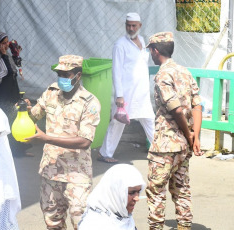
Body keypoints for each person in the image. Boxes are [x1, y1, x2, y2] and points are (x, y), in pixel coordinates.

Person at [26, 55, 101, 230]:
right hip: (50, 172)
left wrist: (47, 138)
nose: (61, 78)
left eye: (66, 74)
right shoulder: (50, 93)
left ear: (78, 76)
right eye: (59, 73)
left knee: (81, 222)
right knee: (52, 222)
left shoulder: (89, 103)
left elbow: (84, 142)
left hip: (77, 175)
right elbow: (34, 116)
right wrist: (25, 110)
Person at [145, 32, 203, 230]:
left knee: (156, 190)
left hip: (165, 145)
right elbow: (197, 106)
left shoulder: (162, 74)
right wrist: (195, 137)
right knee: (182, 189)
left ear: (155, 50)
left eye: (151, 50)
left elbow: (176, 109)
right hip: (183, 146)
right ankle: (185, 226)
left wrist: (189, 134)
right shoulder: (185, 71)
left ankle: (156, 227)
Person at [98, 12, 155, 163]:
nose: (130, 28)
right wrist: (119, 95)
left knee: (149, 119)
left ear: (139, 26)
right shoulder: (120, 44)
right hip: (126, 94)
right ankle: (105, 153)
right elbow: (116, 71)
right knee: (118, 122)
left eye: (133, 26)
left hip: (141, 92)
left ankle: (159, 151)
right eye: (128, 25)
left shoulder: (142, 41)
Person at [0, 32, 30, 156]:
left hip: (10, 91)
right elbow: (8, 72)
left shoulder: (5, 55)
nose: (6, 46)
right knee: (4, 120)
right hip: (1, 94)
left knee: (14, 118)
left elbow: (13, 68)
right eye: (3, 43)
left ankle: (17, 149)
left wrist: (13, 54)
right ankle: (6, 150)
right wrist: (4, 54)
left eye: (7, 43)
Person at [79, 164, 146, 230]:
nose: (137, 198)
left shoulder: (120, 215)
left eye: (138, 192)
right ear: (115, 192)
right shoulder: (95, 225)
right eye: (131, 193)